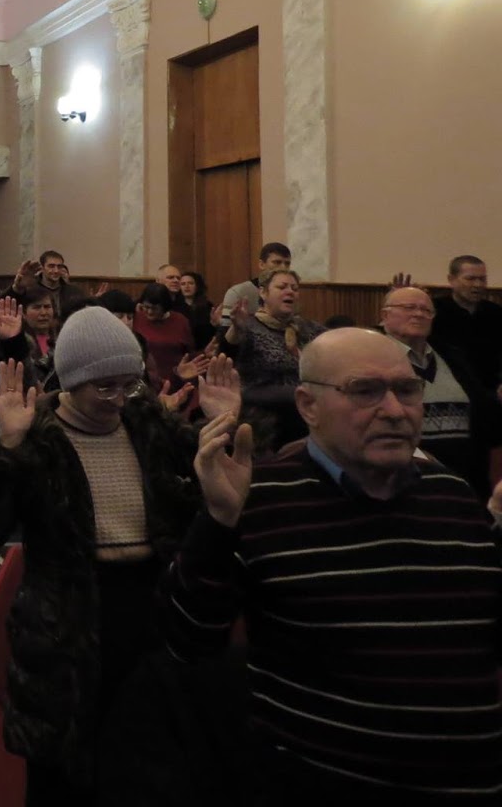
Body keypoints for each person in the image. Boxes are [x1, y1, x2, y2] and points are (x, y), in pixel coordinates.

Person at [162, 328, 502, 804]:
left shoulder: (454, 496)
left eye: (407, 390)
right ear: (308, 406)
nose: (395, 410)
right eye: (365, 391)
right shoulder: (259, 496)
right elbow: (189, 640)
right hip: (322, 781)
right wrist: (218, 523)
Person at [0, 308, 222, 804]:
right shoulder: (38, 434)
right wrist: (6, 450)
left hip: (145, 610)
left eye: (129, 384)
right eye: (105, 388)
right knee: (63, 776)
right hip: (64, 623)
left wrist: (222, 421)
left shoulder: (145, 424)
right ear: (71, 381)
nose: (119, 398)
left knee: (141, 766)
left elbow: (213, 492)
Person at [381, 285, 500, 500]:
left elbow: (481, 408)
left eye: (426, 310)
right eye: (409, 307)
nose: (419, 314)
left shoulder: (452, 356)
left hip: (465, 476)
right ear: (385, 315)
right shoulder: (371, 357)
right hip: (402, 476)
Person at [220, 267, 324, 450]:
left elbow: (337, 340)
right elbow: (226, 352)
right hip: (260, 411)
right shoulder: (249, 325)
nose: (290, 291)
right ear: (263, 292)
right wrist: (236, 329)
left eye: (294, 288)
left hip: (302, 410)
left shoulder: (306, 327)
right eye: (282, 287)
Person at [431, 254, 502, 391]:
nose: (478, 285)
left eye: (482, 279)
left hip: (490, 389)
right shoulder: (434, 311)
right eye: (470, 279)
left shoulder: (496, 313)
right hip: (447, 389)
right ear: (451, 280)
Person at [134, 282, 196, 387]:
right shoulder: (137, 318)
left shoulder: (180, 321)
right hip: (145, 380)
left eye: (154, 308)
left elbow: (189, 351)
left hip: (174, 378)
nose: (149, 312)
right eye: (146, 307)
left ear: (164, 306)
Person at [217, 241, 291, 326]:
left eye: (287, 264)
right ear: (261, 264)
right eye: (277, 262)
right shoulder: (238, 293)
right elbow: (225, 332)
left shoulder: (290, 293)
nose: (283, 268)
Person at [12, 250, 90, 320]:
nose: (56, 271)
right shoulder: (31, 290)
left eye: (59, 267)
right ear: (42, 268)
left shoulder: (74, 291)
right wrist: (17, 287)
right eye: (51, 266)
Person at [177, 270, 216, 348]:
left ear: (197, 286)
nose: (187, 286)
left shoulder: (208, 305)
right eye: (183, 284)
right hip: (183, 346)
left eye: (190, 283)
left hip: (204, 346)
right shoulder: (176, 307)